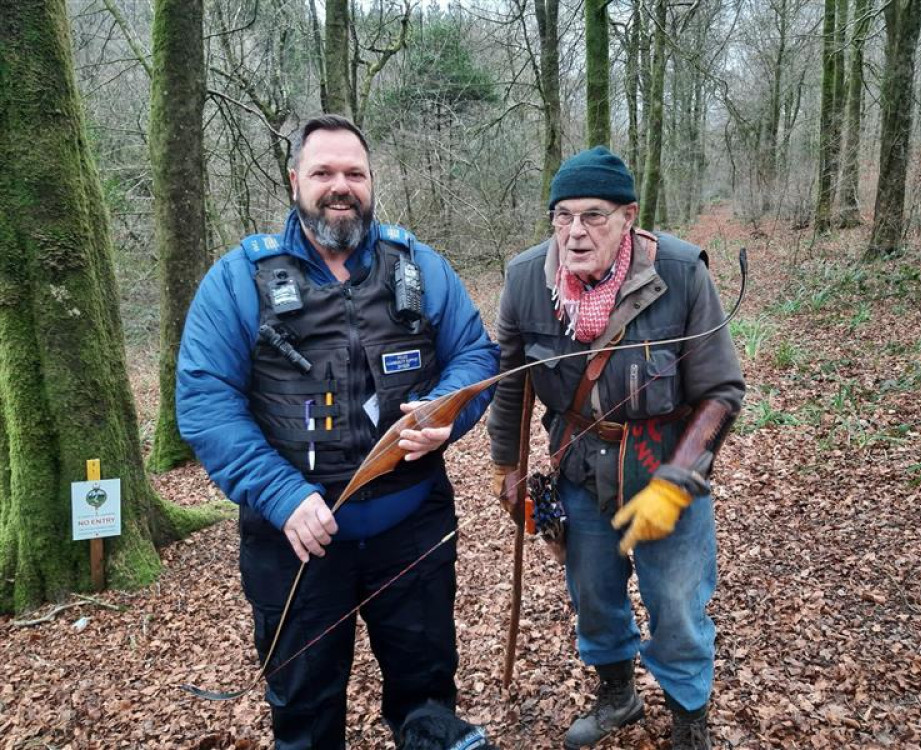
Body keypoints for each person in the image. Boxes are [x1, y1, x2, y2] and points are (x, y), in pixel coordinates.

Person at [177, 114, 499, 749]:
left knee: (428, 698)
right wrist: (280, 494)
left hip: (412, 532)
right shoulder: (239, 281)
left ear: (372, 181)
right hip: (296, 545)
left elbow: (475, 355)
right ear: (296, 180)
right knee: (304, 711)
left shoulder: (422, 268)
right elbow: (205, 402)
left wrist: (444, 412)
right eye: (323, 172)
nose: (339, 186)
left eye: (354, 172)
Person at [487, 147, 745, 750]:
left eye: (594, 215)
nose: (576, 232)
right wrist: (507, 470)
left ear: (629, 216)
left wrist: (678, 480)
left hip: (662, 468)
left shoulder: (681, 273)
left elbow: (722, 392)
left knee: (677, 606)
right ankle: (618, 695)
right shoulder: (527, 279)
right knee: (594, 597)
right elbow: (509, 385)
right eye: (563, 216)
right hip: (576, 469)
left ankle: (688, 718)